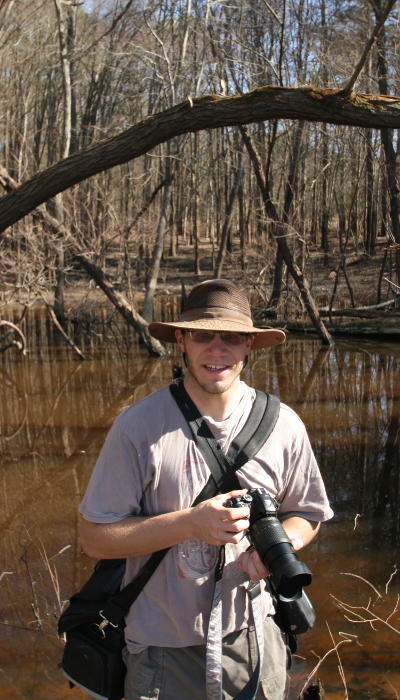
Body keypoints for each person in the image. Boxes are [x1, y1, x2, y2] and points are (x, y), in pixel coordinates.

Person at [79, 278, 334, 700]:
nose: (218, 349)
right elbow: (93, 539)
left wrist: (278, 547)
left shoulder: (284, 424)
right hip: (164, 648)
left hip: (256, 638)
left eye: (232, 337)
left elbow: (308, 513)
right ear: (182, 340)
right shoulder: (139, 427)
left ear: (249, 345)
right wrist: (189, 524)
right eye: (202, 335)